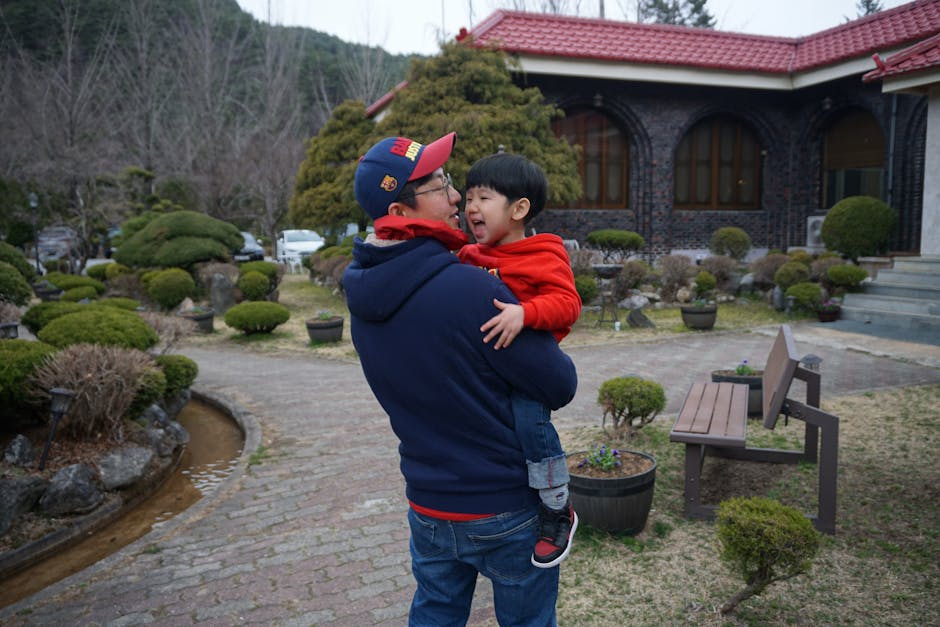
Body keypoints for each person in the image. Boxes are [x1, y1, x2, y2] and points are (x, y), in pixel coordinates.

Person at [343, 132, 578, 626]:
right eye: (441, 186)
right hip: (504, 508)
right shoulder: (472, 288)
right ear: (402, 211)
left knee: (435, 614)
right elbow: (559, 384)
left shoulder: (363, 304)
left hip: (427, 503)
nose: (457, 198)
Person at [457, 152, 582, 569]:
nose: (470, 207)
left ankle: (556, 506)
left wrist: (525, 313)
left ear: (519, 208)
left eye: (483, 198)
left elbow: (568, 304)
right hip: (487, 368)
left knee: (531, 424)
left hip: (529, 372)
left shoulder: (543, 254)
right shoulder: (471, 255)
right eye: (468, 198)